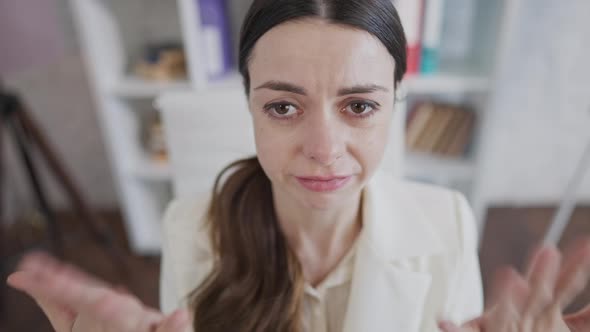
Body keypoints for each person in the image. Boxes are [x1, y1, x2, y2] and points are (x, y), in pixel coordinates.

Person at [7, 0, 590, 331]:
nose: (323, 147)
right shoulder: (191, 227)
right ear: (250, 106)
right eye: (283, 107)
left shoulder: (449, 223)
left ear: (394, 106)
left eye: (359, 105)